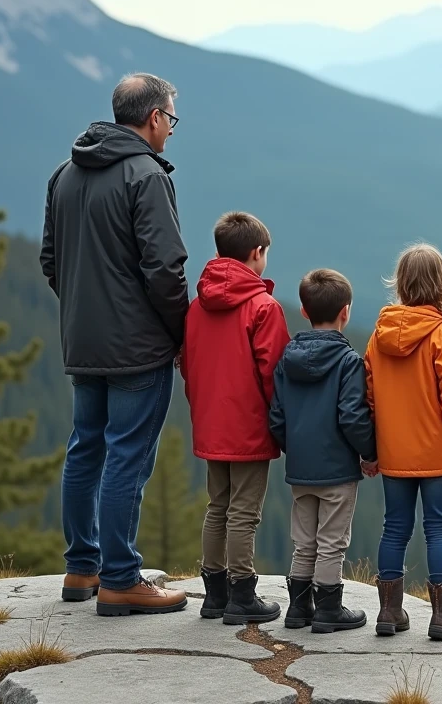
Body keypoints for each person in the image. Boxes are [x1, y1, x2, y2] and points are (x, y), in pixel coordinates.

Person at [40, 73, 190, 616]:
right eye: (170, 120)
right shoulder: (145, 175)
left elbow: (51, 262)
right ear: (153, 117)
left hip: (83, 343)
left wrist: (85, 312)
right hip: (138, 347)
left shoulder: (66, 172)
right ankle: (122, 578)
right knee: (127, 455)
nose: (170, 131)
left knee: (85, 449)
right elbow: (166, 269)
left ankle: (82, 568)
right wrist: (178, 332)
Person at [364, 243, 442, 640]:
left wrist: (371, 450)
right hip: (438, 454)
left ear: (400, 284)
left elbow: (368, 397)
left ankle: (389, 612)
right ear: (441, 284)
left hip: (393, 453)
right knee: (439, 531)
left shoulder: (377, 336)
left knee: (394, 528)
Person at [180, 212, 291, 625]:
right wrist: (280, 424)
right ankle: (243, 594)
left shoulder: (197, 307)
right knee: (245, 511)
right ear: (257, 253)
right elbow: (273, 375)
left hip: (210, 422)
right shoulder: (263, 308)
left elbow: (188, 365)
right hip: (248, 425)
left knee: (218, 506)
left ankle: (214, 594)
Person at [269, 269, 377, 634]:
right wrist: (369, 452)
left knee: (304, 542)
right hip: (337, 470)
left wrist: (294, 448)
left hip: (301, 467)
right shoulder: (348, 362)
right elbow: (352, 416)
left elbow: (277, 416)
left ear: (303, 310)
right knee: (332, 542)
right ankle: (329, 609)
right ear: (345, 311)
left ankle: (298, 611)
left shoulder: (287, 359)